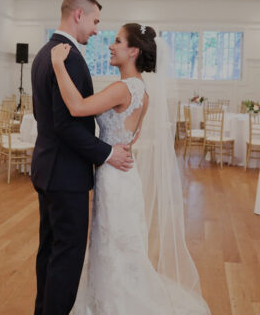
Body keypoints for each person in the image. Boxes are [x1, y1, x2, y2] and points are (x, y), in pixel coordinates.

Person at [51, 23, 211, 314]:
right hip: (125, 175)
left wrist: (58, 65)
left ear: (133, 51)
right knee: (122, 245)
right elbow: (132, 137)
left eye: (117, 41)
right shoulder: (143, 91)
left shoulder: (122, 88)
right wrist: (115, 148)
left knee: (113, 245)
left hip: (113, 179)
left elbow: (76, 107)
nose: (111, 46)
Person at [30, 0, 134, 315]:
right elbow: (67, 124)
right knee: (67, 257)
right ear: (78, 15)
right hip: (65, 175)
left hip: (47, 167)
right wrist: (106, 154)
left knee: (49, 251)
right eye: (95, 21)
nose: (96, 29)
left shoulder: (44, 52)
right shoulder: (69, 57)